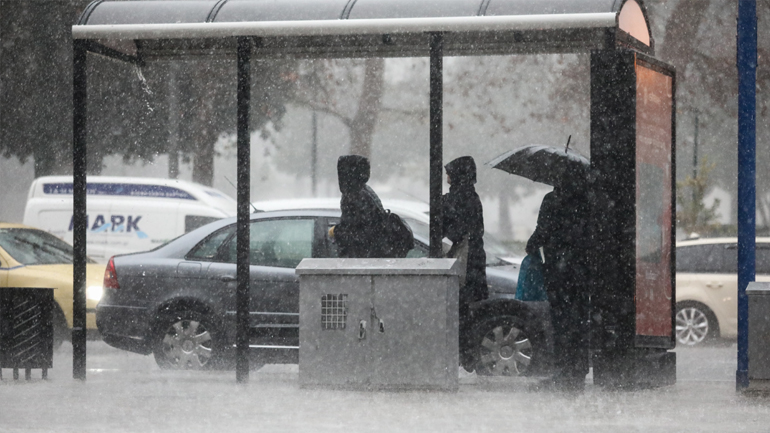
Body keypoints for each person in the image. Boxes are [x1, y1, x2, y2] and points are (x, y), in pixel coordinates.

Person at [526, 180, 590, 391]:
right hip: (581, 273)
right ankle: (578, 371)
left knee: (561, 321)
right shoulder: (586, 200)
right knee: (579, 320)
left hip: (559, 273)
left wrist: (531, 245)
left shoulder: (552, 200)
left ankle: (562, 371)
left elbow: (542, 231)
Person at [442, 156, 488, 367]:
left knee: (460, 310)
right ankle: (469, 356)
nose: (447, 176)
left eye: (450, 172)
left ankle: (466, 355)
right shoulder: (472, 197)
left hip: (463, 263)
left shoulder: (458, 199)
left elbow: (457, 231)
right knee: (468, 310)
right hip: (473, 263)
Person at [329, 155, 387, 258]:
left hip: (360, 259)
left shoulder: (353, 195)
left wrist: (335, 232)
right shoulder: (365, 191)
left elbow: (358, 232)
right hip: (370, 255)